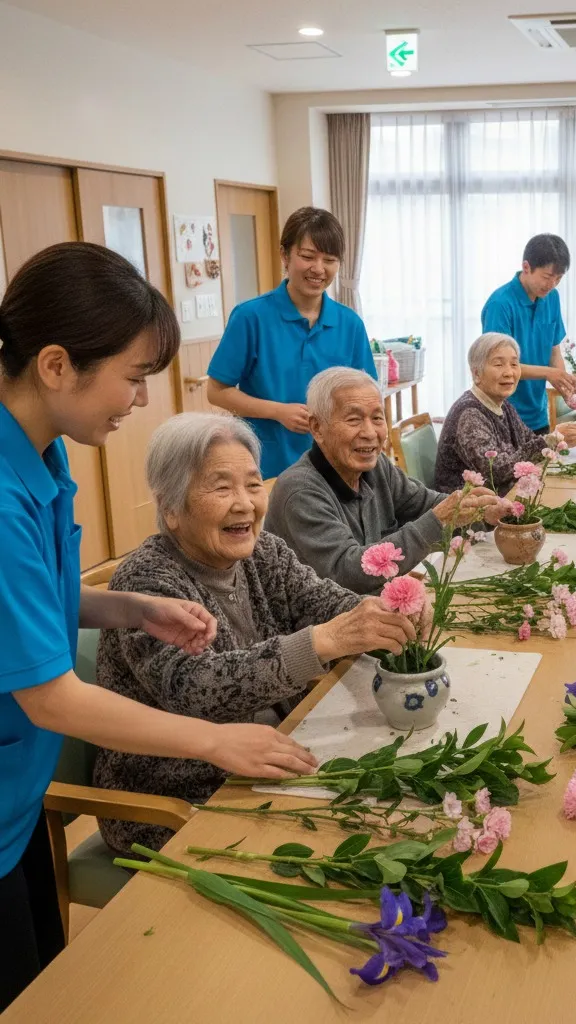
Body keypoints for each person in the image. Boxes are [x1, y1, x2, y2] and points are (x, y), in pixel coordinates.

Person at [0, 244, 316, 1011]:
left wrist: (127, 609)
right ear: (54, 365)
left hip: (19, 792)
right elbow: (52, 699)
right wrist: (214, 740)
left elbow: (35, 602)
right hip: (16, 778)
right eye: (133, 377)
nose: (140, 400)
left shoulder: (44, 460)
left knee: (49, 983)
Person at [94, 412, 421, 854]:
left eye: (252, 483)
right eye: (221, 486)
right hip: (180, 796)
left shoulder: (261, 550)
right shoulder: (146, 581)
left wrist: (379, 612)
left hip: (270, 753)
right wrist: (325, 640)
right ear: (170, 508)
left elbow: (321, 600)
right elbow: (196, 689)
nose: (245, 503)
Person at [266, 368, 503, 592]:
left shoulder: (375, 466)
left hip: (376, 608)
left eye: (378, 418)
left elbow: (425, 504)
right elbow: (347, 572)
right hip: (325, 626)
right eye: (354, 420)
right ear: (317, 428)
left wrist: (483, 514)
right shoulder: (300, 492)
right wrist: (439, 520)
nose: (370, 433)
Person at [206, 207, 376, 479]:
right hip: (269, 466)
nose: (318, 269)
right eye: (308, 256)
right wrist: (277, 411)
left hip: (336, 468)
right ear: (285, 255)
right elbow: (216, 391)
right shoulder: (251, 317)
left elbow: (369, 396)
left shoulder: (350, 324)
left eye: (329, 259)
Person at [434, 333, 576, 494]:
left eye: (514, 364)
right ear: (476, 374)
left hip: (504, 497)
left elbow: (529, 441)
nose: (509, 372)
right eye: (498, 364)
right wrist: (552, 440)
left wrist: (560, 438)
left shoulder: (503, 405)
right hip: (470, 510)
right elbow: (496, 471)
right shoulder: (469, 414)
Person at [481, 233, 576, 434]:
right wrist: (550, 373)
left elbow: (554, 352)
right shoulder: (500, 305)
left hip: (538, 414)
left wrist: (566, 388)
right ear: (526, 267)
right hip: (504, 414)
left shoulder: (552, 298)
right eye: (547, 277)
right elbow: (501, 368)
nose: (552, 285)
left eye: (558, 279)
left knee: (545, 466)